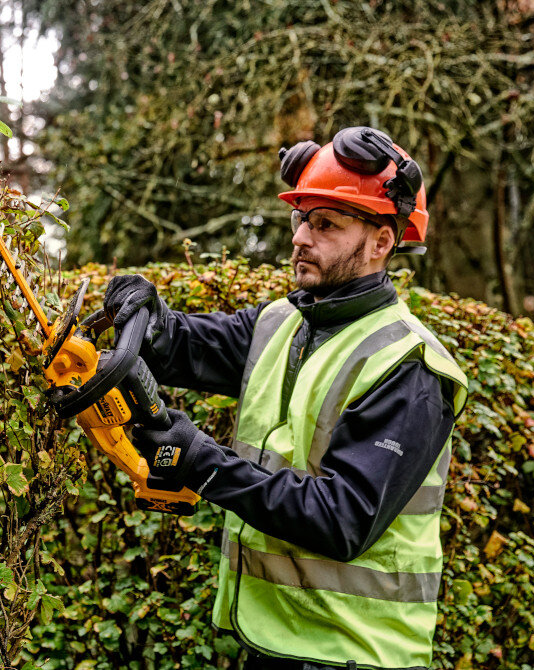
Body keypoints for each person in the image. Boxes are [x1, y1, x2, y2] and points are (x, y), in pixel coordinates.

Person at [103, 127, 469, 670]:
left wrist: (201, 462)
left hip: (355, 654)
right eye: (301, 219)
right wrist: (143, 312)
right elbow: (181, 346)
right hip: (276, 642)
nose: (301, 238)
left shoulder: (409, 366)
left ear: (381, 242)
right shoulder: (282, 324)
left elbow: (342, 519)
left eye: (326, 224)